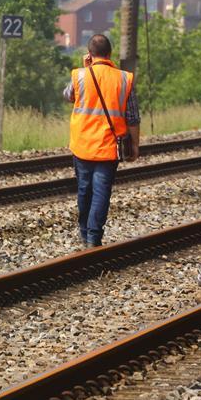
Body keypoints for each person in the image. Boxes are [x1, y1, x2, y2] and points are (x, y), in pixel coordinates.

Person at [64, 34, 140, 248]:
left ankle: (84, 231)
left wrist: (84, 68)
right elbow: (132, 116)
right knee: (101, 191)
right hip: (109, 146)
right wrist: (134, 145)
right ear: (110, 54)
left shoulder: (79, 75)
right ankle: (93, 237)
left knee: (84, 189)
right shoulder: (124, 78)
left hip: (83, 145)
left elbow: (68, 96)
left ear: (89, 54)